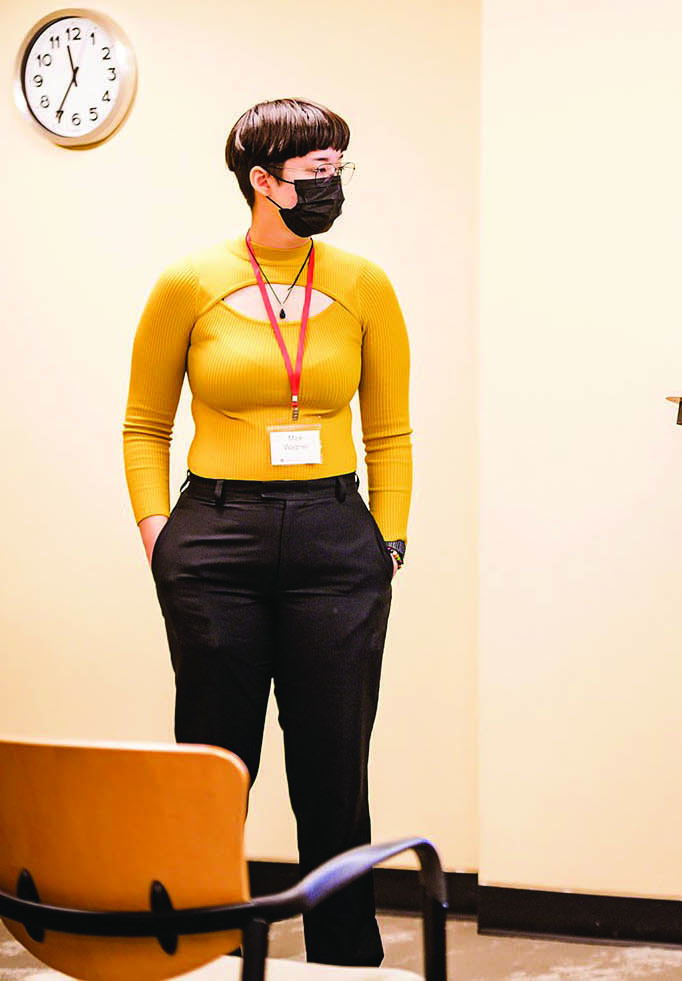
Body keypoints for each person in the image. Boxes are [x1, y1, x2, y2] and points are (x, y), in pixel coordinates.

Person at [122, 98, 411, 967]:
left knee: (333, 774)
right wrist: (160, 538)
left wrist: (386, 542)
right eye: (314, 171)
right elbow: (144, 424)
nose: (331, 185)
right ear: (261, 181)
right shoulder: (189, 282)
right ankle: (199, 956)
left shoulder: (364, 283)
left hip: (335, 539)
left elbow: (389, 431)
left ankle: (343, 960)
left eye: (338, 169)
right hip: (215, 541)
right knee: (213, 767)